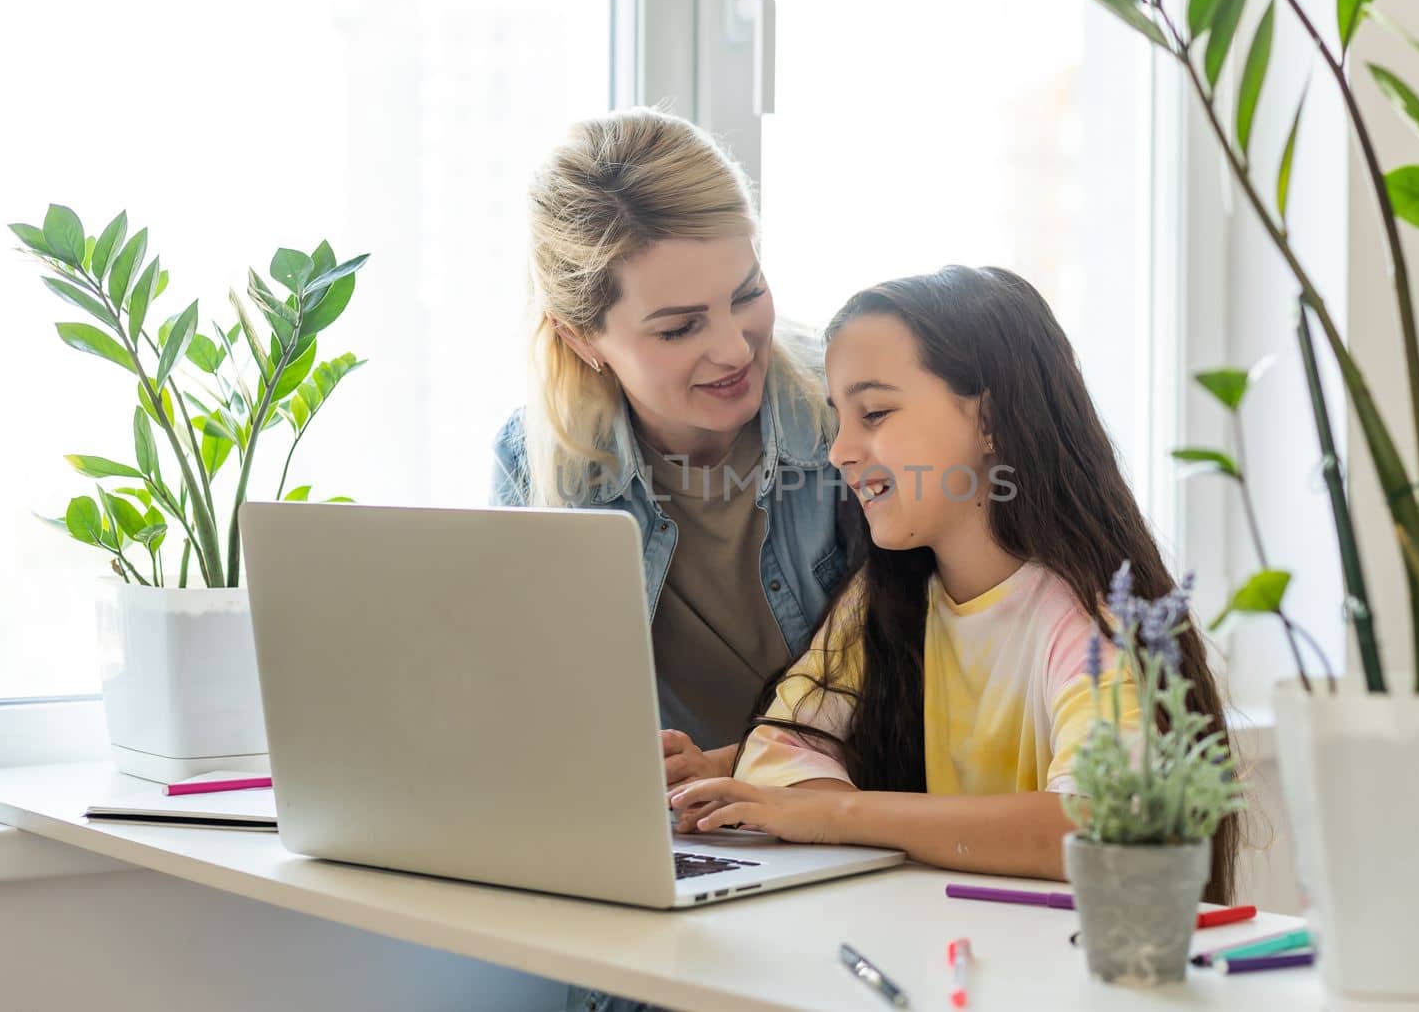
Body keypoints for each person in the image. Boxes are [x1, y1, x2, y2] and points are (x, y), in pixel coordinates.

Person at [668, 265, 1241, 905]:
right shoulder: (884, 597)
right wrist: (792, 796)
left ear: (990, 418)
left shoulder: (1092, 620)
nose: (840, 452)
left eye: (876, 412)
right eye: (841, 419)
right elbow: (778, 754)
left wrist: (834, 814)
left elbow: (1105, 827)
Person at [490, 107, 854, 783]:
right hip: (676, 835)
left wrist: (733, 764)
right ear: (580, 338)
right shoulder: (534, 463)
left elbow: (923, 703)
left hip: (836, 812)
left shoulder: (848, 416)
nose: (734, 347)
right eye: (680, 327)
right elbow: (527, 711)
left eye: (747, 294)